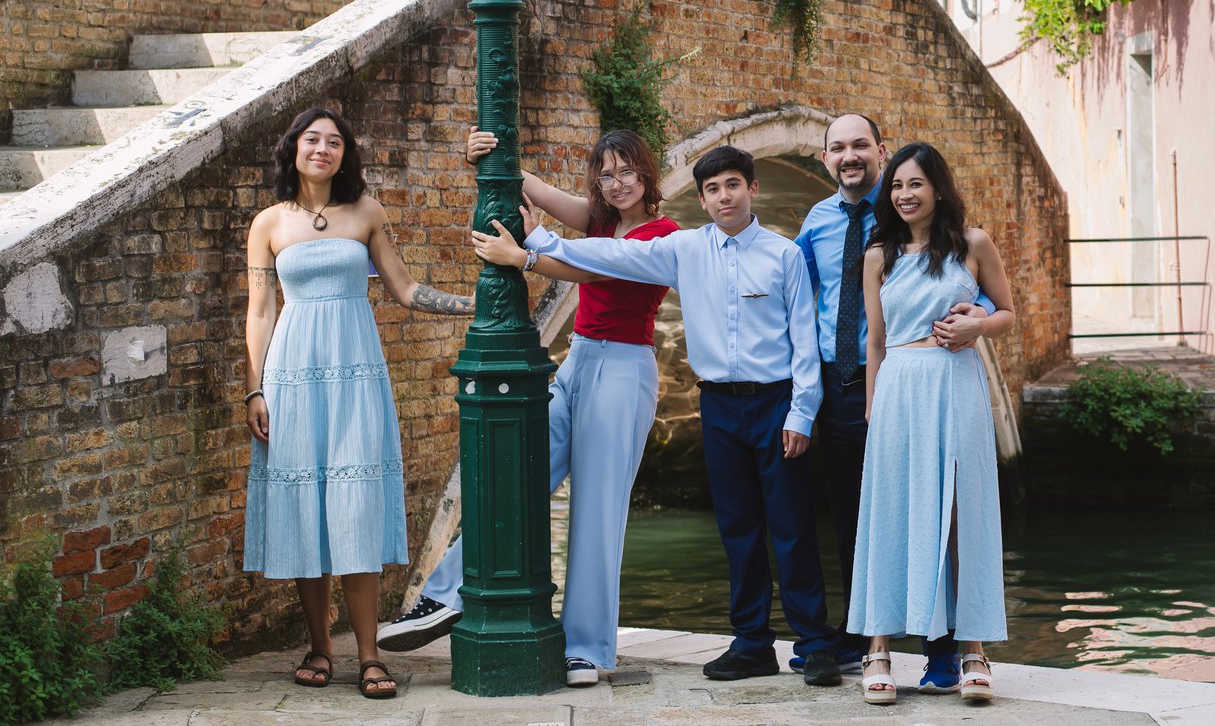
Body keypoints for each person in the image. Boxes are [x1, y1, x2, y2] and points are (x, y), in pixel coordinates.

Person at [471, 144, 843, 686]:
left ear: (752, 189)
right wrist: (536, 244)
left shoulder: (785, 256)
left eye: (733, 185)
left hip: (775, 402)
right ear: (702, 197)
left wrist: (802, 413)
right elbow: (611, 259)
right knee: (737, 528)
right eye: (712, 189)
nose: (723, 197)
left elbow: (805, 342)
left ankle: (814, 644)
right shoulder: (681, 248)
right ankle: (752, 644)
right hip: (716, 403)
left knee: (790, 525)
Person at [378, 128, 677, 689]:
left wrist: (528, 255)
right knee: (519, 477)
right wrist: (486, 151)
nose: (617, 184)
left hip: (625, 368)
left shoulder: (664, 233)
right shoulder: (598, 218)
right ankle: (444, 594)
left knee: (597, 508)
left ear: (647, 175)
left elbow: (600, 269)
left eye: (627, 172)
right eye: (607, 174)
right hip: (579, 360)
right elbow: (528, 186)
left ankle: (587, 648)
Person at [243, 107, 474, 700]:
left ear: (346, 153)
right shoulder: (268, 222)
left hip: (356, 375)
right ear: (293, 148)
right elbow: (261, 311)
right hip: (291, 375)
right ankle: (319, 645)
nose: (322, 149)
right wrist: (255, 387)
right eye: (312, 140)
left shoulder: (367, 211)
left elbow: (403, 287)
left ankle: (368, 655)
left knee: (352, 503)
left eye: (335, 142)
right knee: (305, 510)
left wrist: (477, 303)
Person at [795, 114, 989, 690]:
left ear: (879, 152)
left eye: (860, 146)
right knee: (868, 513)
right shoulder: (817, 221)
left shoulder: (911, 223)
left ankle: (945, 651)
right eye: (837, 148)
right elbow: (793, 291)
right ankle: (861, 641)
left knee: (941, 507)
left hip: (927, 377)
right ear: (826, 158)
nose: (849, 156)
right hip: (845, 382)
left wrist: (978, 314)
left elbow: (959, 282)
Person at [848, 142, 1015, 705]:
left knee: (964, 513)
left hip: (956, 383)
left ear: (938, 188)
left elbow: (1008, 312)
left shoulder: (973, 244)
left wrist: (979, 326)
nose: (904, 194)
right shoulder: (879, 256)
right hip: (899, 386)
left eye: (915, 184)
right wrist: (873, 408)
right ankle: (878, 651)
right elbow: (874, 341)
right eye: (896, 186)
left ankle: (974, 651)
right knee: (890, 511)